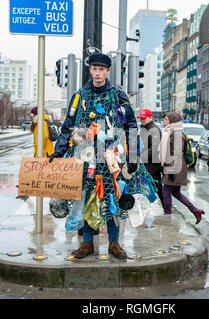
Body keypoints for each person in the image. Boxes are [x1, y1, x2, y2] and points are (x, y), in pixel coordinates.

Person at [49, 53, 139, 260]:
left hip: (112, 159)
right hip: (85, 158)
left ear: (108, 71)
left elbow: (131, 125)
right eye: (94, 69)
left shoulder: (119, 95)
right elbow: (68, 126)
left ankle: (114, 243)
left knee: (112, 198)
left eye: (102, 70)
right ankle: (87, 243)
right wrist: (59, 150)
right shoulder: (79, 96)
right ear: (90, 70)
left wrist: (132, 155)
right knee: (86, 197)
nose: (97, 73)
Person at [159, 112, 205, 224]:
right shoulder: (172, 132)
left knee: (166, 191)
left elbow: (176, 153)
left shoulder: (176, 133)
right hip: (175, 166)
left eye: (166, 119)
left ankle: (167, 214)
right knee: (175, 192)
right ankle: (195, 210)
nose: (164, 121)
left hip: (174, 167)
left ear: (173, 121)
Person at [139, 109, 164, 209]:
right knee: (147, 186)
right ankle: (147, 207)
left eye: (144, 118)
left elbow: (154, 148)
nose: (142, 120)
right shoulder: (143, 128)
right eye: (140, 118)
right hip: (146, 163)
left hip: (152, 164)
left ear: (150, 118)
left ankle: (166, 207)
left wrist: (140, 156)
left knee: (156, 186)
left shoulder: (154, 129)